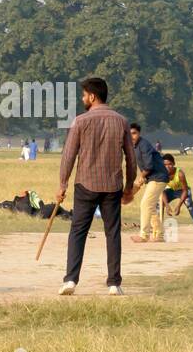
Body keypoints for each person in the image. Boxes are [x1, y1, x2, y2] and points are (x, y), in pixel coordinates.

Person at [54, 77, 136, 296]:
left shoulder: (80, 121)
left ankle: (71, 280)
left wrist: (62, 184)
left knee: (78, 231)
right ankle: (114, 283)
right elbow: (131, 157)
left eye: (84, 95)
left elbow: (68, 156)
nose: (83, 98)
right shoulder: (121, 121)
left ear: (92, 96)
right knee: (113, 233)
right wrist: (129, 187)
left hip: (85, 184)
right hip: (112, 185)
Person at [129, 123, 169, 243]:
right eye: (129, 134)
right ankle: (160, 236)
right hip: (153, 178)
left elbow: (149, 166)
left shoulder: (144, 145)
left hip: (158, 177)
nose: (132, 136)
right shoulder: (135, 146)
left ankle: (144, 236)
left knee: (145, 204)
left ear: (139, 133)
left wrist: (139, 180)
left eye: (134, 133)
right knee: (150, 207)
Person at [162, 153, 193, 233]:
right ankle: (158, 228)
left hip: (182, 190)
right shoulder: (161, 174)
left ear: (174, 164)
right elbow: (161, 191)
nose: (167, 167)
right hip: (171, 190)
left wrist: (178, 206)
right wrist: (167, 206)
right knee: (159, 204)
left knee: (189, 204)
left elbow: (185, 190)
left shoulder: (180, 174)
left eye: (170, 164)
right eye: (165, 165)